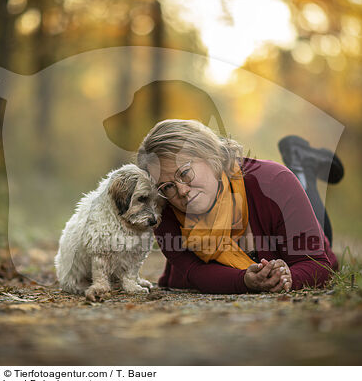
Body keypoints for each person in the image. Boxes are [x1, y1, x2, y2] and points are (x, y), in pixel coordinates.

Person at [136, 119, 344, 293]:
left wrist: (289, 277)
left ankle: (302, 166)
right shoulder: (163, 210)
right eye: (168, 186)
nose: (181, 191)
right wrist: (244, 280)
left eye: (185, 173)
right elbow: (195, 272)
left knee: (304, 202)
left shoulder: (274, 181)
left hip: (288, 207)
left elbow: (317, 263)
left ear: (211, 156)